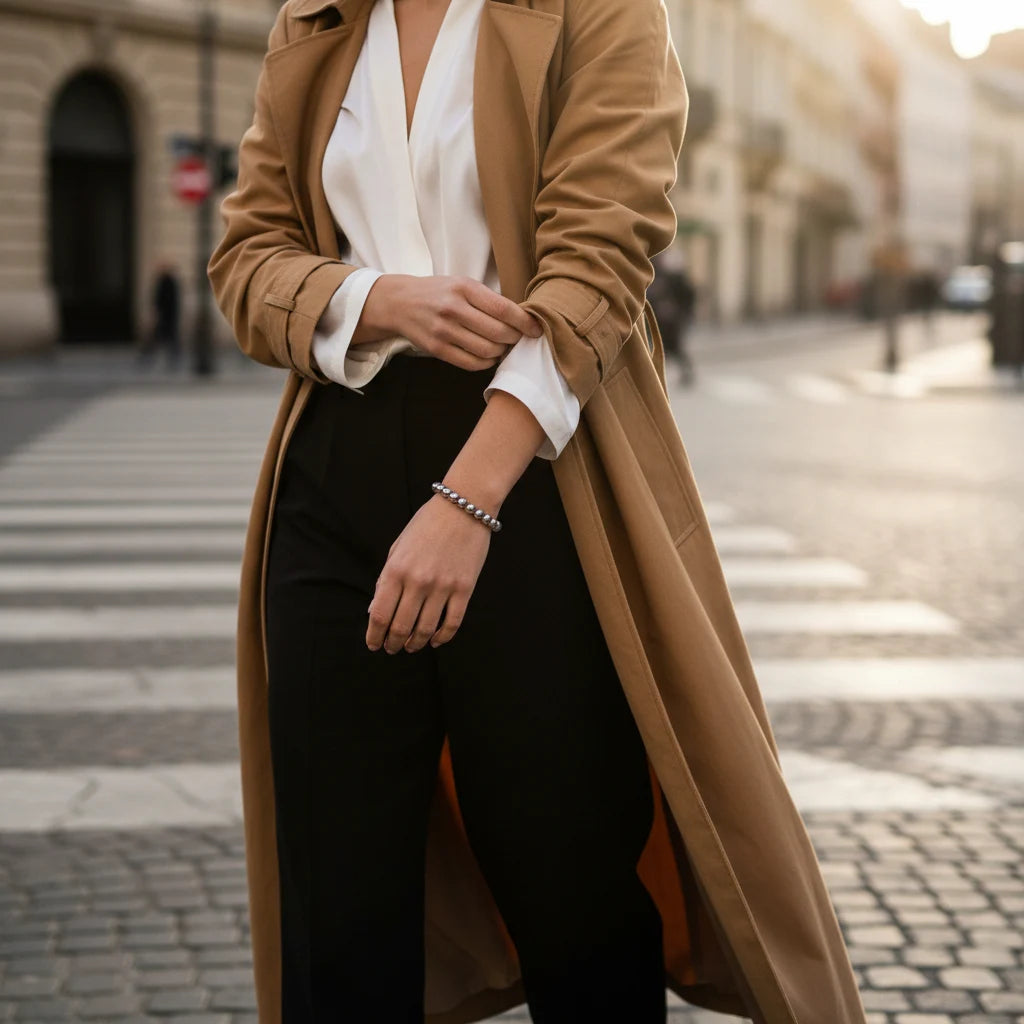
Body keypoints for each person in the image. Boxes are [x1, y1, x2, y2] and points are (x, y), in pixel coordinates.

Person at [208, 1, 869, 1022]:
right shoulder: (317, 17)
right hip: (333, 469)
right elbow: (245, 257)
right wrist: (375, 298)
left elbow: (601, 256)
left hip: (536, 469)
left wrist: (465, 500)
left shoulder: (595, 9)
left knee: (571, 886)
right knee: (335, 905)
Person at [649, 246, 697, 385]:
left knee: (673, 348)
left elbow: (687, 298)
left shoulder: (677, 278)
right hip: (659, 319)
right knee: (660, 348)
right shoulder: (658, 273)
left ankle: (686, 373)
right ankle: (655, 377)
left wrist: (681, 313)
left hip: (673, 320)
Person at [139, 260, 181, 370]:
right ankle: (147, 358)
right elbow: (157, 299)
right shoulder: (163, 281)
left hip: (168, 315)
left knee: (168, 338)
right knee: (157, 338)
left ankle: (172, 359)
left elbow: (172, 301)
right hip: (164, 315)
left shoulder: (169, 282)